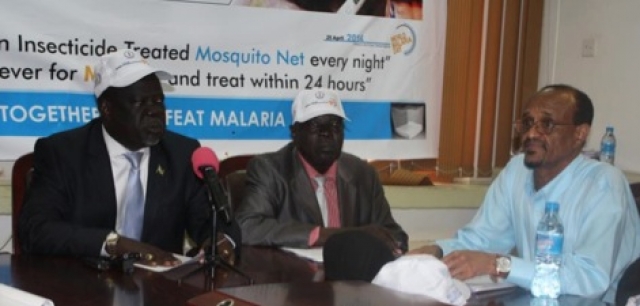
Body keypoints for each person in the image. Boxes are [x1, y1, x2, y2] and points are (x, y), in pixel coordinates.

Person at [406, 84, 640, 303]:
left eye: (546, 124)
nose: (531, 134)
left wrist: (497, 264)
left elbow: (590, 278)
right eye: (527, 123)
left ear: (580, 133)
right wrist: (435, 250)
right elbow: (482, 239)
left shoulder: (605, 183)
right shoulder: (516, 171)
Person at [19, 49, 240, 267]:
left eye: (158, 102)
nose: (155, 111)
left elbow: (211, 220)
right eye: (140, 103)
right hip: (83, 286)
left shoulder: (181, 153)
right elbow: (36, 229)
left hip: (160, 290)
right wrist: (113, 244)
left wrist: (219, 240)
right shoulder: (64, 153)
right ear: (107, 109)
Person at [235, 88, 408, 252]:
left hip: (354, 280)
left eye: (335, 127)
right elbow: (247, 226)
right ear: (294, 132)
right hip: (294, 278)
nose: (327, 135)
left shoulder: (363, 174)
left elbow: (396, 236)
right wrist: (323, 235)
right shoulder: (270, 170)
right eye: (315, 127)